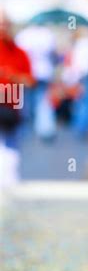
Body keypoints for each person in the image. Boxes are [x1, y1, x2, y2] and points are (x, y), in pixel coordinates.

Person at [0, 10, 35, 187]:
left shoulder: (19, 52)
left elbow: (29, 80)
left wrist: (12, 76)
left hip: (10, 106)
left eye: (5, 24)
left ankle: (8, 183)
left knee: (11, 148)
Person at [15, 23, 57, 140]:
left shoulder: (23, 35)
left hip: (27, 73)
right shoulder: (47, 34)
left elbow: (18, 54)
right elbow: (53, 54)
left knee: (25, 101)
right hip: (43, 72)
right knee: (42, 101)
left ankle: (24, 126)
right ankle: (45, 128)